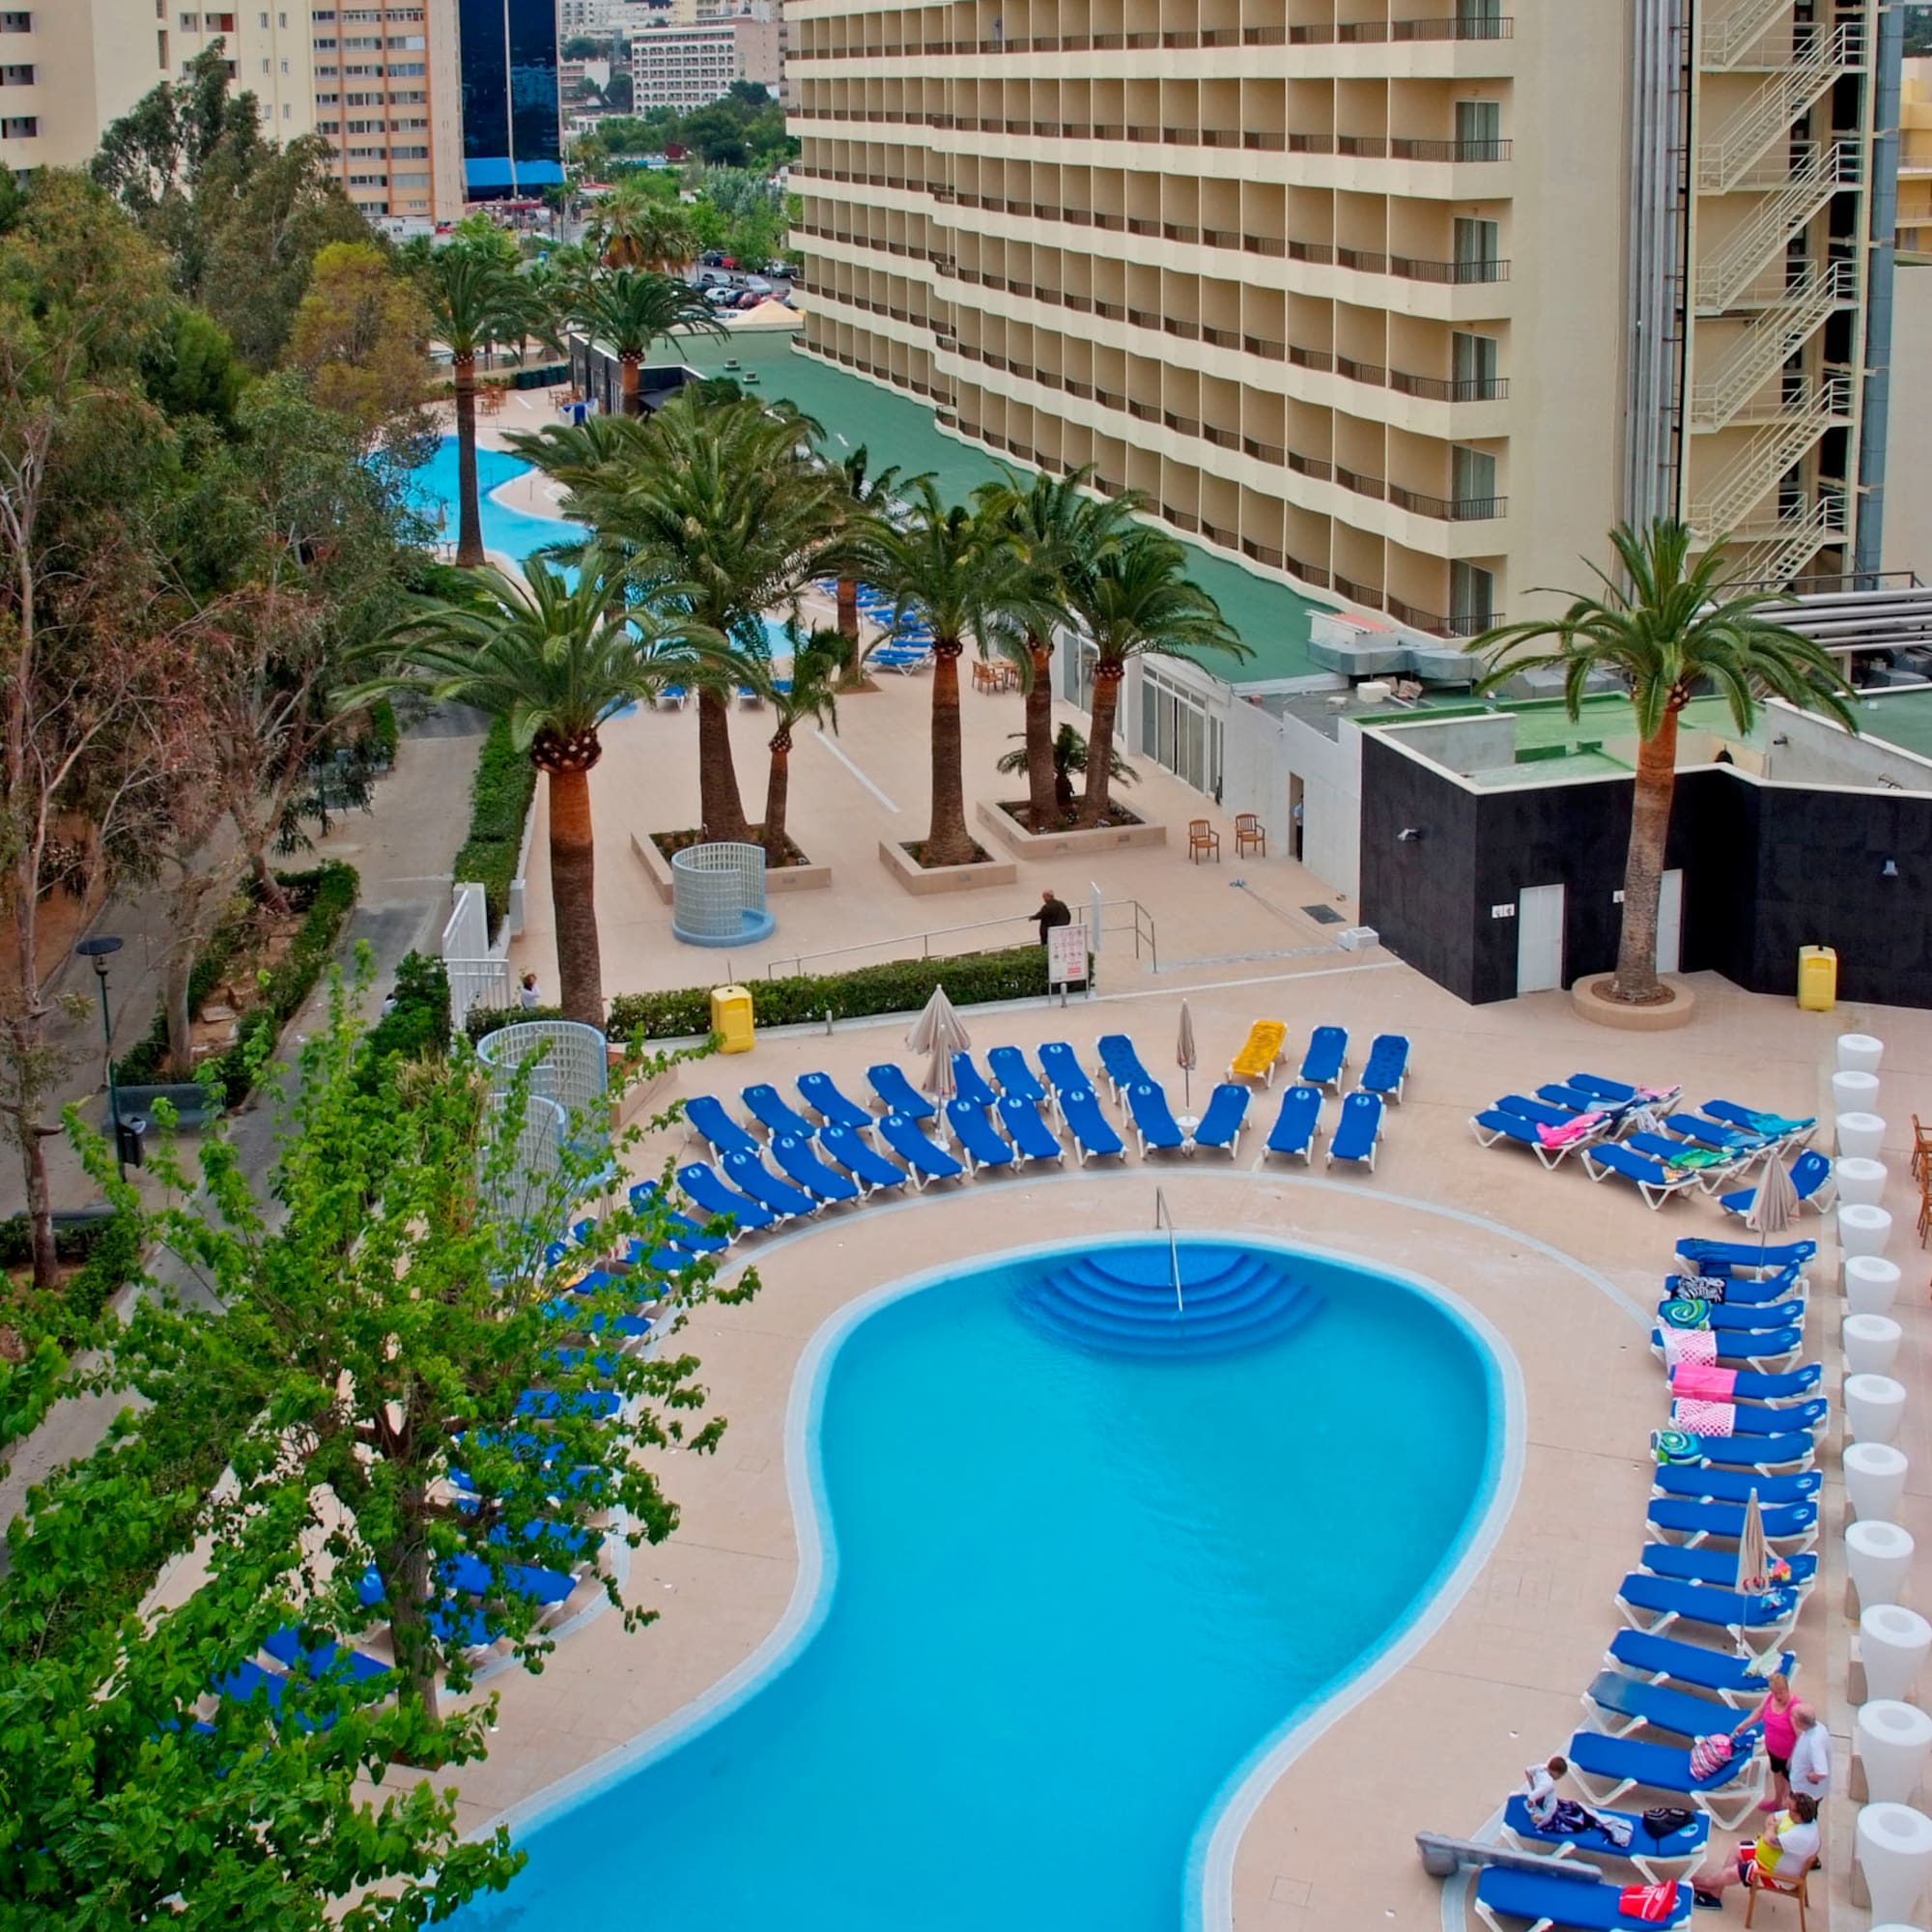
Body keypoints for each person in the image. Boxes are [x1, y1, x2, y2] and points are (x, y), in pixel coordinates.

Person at [1690, 1793, 1818, 1910]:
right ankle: (1715, 1892)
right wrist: (1772, 1829)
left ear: (1799, 1815)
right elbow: (1771, 1818)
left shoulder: (1800, 1835)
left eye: (1790, 1808)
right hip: (1769, 1856)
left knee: (1732, 1873)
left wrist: (1772, 1828)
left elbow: (1770, 1839)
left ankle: (1705, 1883)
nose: (1786, 1809)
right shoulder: (1799, 1817)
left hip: (1775, 1874)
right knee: (1736, 1849)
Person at [1733, 1672, 1801, 1813]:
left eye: (1781, 1693)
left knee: (1789, 1782)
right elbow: (1758, 1713)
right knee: (1776, 1774)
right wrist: (1744, 1725)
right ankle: (1777, 1801)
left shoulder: (1794, 1707)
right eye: (1775, 1693)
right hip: (1773, 1750)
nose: (1778, 1696)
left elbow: (1801, 1736)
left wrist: (1793, 1757)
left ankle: (1787, 1810)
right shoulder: (1770, 1699)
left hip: (1789, 1755)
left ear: (1787, 1689)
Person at [1786, 1707, 1830, 1806]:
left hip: (1806, 1793)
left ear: (1800, 1722)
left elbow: (1822, 1772)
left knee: (1804, 1816)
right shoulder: (1818, 1727)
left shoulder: (1814, 1743)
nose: (1792, 1720)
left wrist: (1810, 1777)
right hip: (1801, 1787)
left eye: (1794, 1719)